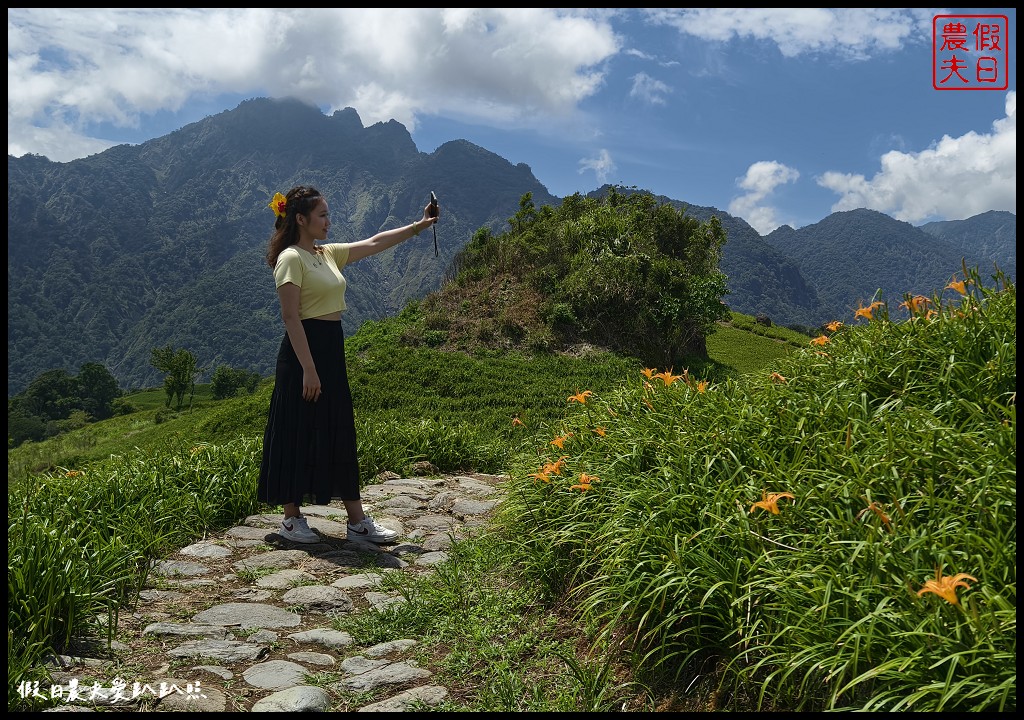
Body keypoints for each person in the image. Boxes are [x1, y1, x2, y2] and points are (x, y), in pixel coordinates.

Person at [258, 185, 439, 544]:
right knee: (297, 429)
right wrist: (309, 369)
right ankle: (291, 518)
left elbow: (374, 243)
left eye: (327, 214)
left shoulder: (324, 253)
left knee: (338, 428)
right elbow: (291, 317)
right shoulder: (291, 257)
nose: (328, 221)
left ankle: (356, 521)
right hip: (302, 354)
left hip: (331, 348)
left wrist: (420, 224)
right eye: (322, 215)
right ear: (300, 219)